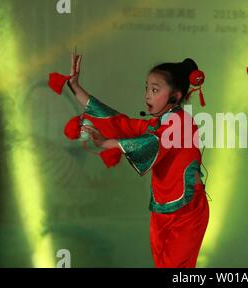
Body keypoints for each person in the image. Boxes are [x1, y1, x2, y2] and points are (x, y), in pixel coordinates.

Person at [65, 53, 209, 268]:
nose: (148, 96)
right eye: (147, 88)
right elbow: (119, 122)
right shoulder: (156, 124)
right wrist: (75, 87)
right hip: (161, 210)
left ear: (175, 96)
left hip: (187, 211)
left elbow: (154, 143)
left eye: (155, 89)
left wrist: (107, 143)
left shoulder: (181, 123)